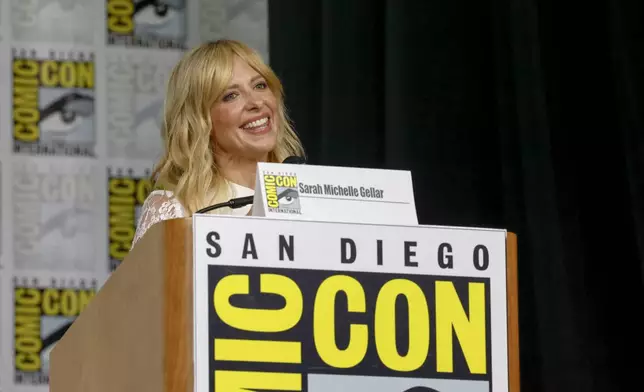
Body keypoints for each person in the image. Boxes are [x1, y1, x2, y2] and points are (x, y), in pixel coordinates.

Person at [132, 39, 305, 246]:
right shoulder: (176, 210)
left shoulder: (310, 197)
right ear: (200, 120)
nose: (256, 103)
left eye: (260, 85)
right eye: (231, 96)